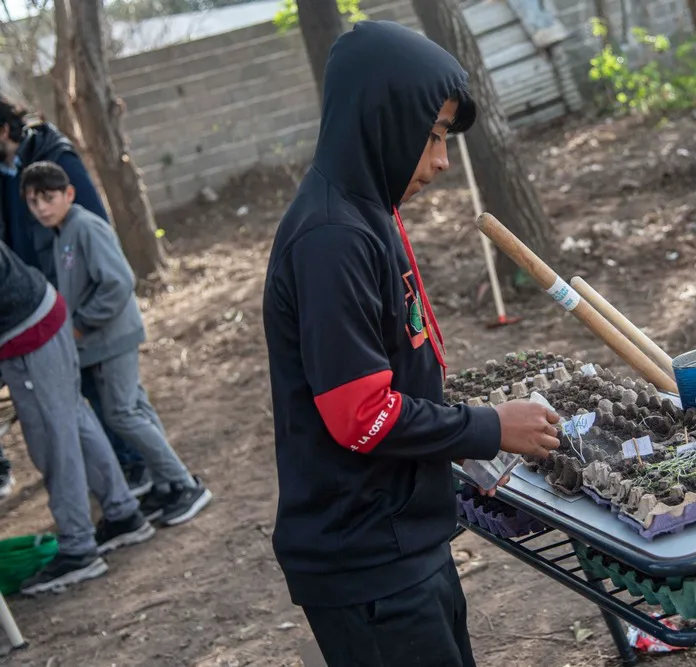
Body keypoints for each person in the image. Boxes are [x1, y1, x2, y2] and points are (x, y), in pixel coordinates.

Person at [262, 21, 562, 667]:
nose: (442, 160)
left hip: (400, 537)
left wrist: (456, 456)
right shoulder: (331, 239)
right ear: (380, 120)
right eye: (432, 135)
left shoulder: (367, 211)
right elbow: (361, 415)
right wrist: (488, 428)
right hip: (366, 561)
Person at [21, 161, 212, 527]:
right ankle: (167, 483)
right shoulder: (62, 232)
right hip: (101, 341)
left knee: (123, 413)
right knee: (135, 408)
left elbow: (118, 281)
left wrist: (81, 324)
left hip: (112, 337)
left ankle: (187, 485)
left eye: (48, 198)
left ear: (69, 194)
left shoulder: (85, 227)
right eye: (33, 201)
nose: (41, 207)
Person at [0, 99, 149, 493]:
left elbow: (93, 232)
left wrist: (82, 312)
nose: (39, 206)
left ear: (3, 131)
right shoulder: (5, 174)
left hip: (78, 300)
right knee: (88, 391)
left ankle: (141, 468)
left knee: (114, 398)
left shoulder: (53, 156)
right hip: (38, 302)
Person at [0, 238, 155, 594]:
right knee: (73, 420)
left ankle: (78, 548)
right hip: (42, 315)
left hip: (29, 333)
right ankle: (123, 513)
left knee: (53, 439)